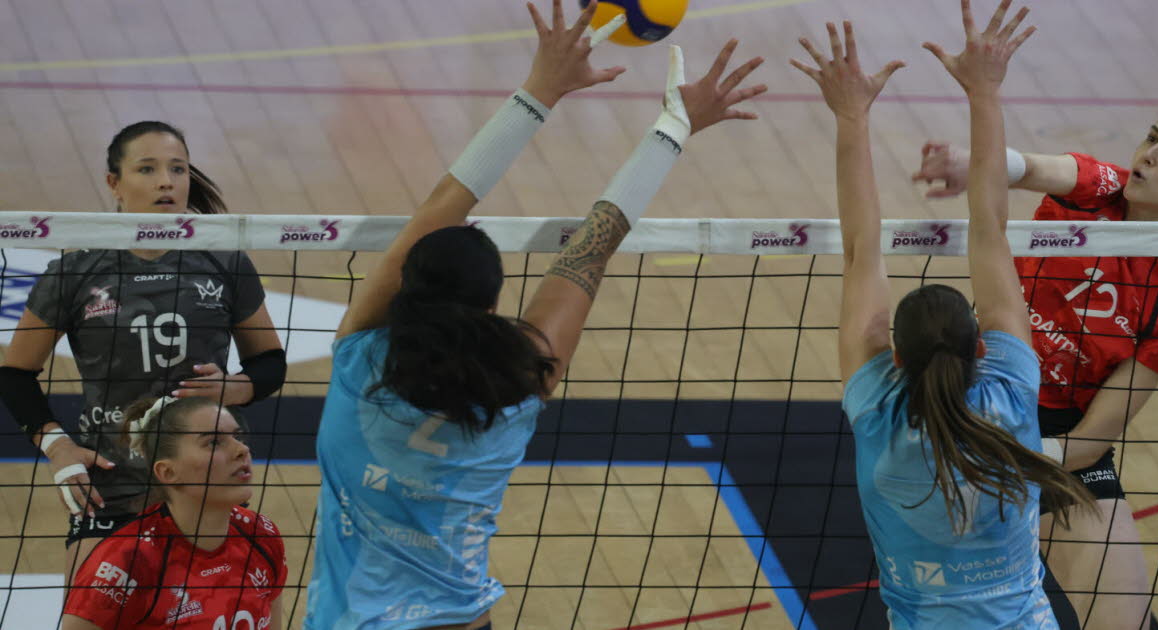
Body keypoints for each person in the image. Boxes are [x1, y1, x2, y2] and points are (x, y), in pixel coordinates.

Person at [303, 1, 768, 628]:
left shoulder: (359, 356)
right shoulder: (518, 381)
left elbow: (445, 200)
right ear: (493, 306)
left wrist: (538, 92)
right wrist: (673, 126)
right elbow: (593, 246)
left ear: (403, 286)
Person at [796, 1, 1095, 626]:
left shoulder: (880, 409)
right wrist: (985, 93)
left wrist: (851, 116)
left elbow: (860, 249)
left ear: (896, 357)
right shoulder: (1011, 391)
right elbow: (989, 228)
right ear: (981, 349)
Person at [910, 24, 1158, 630]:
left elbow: (1104, 427)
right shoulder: (1098, 189)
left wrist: (1030, 454)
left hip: (1060, 442)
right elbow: (1034, 167)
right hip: (982, 402)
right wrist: (978, 163)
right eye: (1153, 137)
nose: (1149, 155)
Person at [0, 120, 287, 584]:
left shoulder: (225, 260)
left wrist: (240, 387)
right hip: (112, 489)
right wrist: (57, 447)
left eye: (177, 169)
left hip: (206, 484)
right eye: (147, 169)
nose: (165, 182)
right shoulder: (75, 271)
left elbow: (270, 362)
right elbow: (14, 374)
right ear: (114, 183)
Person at [61, 396, 287, 629]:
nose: (242, 449)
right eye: (214, 442)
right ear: (168, 472)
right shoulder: (125, 562)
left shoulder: (261, 534)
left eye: (237, 437)